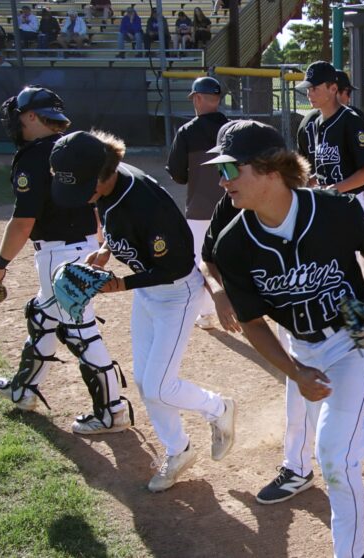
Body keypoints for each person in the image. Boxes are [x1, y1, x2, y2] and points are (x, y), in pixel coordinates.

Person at [207, 119, 364, 558]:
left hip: (353, 338)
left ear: (268, 169)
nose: (222, 182)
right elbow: (254, 324)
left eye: (229, 169)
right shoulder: (233, 244)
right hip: (301, 345)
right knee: (344, 446)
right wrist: (295, 371)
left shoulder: (333, 210)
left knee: (336, 461)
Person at [50, 130, 237, 493]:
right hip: (150, 292)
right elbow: (115, 225)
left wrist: (121, 284)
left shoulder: (144, 203)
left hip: (176, 293)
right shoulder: (106, 186)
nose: (82, 197)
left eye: (84, 187)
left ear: (103, 173)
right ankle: (178, 449)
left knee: (158, 384)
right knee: (143, 381)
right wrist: (104, 251)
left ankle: (218, 408)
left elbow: (177, 266)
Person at [0, 86, 132, 436]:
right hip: (80, 246)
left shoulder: (33, 156)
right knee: (43, 317)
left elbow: (23, 221)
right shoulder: (75, 148)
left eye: (20, 116)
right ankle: (24, 389)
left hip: (57, 253)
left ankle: (112, 410)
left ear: (32, 117)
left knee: (80, 331)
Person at [296, 61, 364, 360]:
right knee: (332, 271)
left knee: (353, 273)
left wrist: (335, 189)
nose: (309, 93)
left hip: (352, 205)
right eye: (307, 88)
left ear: (333, 89)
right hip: (327, 204)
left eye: (315, 88)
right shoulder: (315, 123)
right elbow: (320, 169)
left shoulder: (350, 120)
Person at [167, 77, 229, 331]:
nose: (194, 102)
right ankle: (241, 310)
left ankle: (205, 314)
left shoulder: (187, 131)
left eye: (194, 97)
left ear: (200, 98)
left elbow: (178, 175)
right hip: (234, 205)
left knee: (201, 261)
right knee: (232, 258)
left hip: (200, 209)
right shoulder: (232, 127)